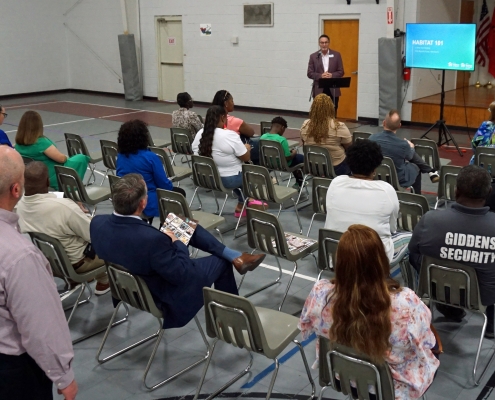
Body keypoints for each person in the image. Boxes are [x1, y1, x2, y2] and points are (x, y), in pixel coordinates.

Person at [90, 173, 266, 329]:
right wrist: (177, 243)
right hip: (159, 294)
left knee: (180, 223)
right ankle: (230, 317)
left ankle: (236, 257)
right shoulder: (151, 239)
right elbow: (182, 274)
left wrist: (172, 236)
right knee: (219, 262)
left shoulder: (97, 223)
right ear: (143, 203)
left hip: (128, 286)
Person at [299, 224, 439, 400]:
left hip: (342, 376)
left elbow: (306, 324)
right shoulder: (405, 302)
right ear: (380, 260)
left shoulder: (320, 292)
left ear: (339, 261)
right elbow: (426, 342)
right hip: (392, 387)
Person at [0, 146, 78, 400]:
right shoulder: (20, 256)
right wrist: (63, 375)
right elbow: (39, 326)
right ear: (16, 190)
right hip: (13, 371)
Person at [409, 165, 495, 335]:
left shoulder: (430, 219)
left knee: (416, 255)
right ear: (489, 193)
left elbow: (413, 252)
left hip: (438, 289)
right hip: (483, 297)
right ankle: (491, 323)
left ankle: (449, 307)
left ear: (456, 191)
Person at [16, 161, 110, 295]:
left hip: (54, 262)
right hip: (79, 263)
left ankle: (75, 281)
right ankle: (104, 281)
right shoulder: (64, 208)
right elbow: (93, 234)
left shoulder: (20, 205)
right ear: (48, 182)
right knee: (115, 237)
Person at [324, 140, 412, 269]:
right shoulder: (386, 189)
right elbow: (392, 228)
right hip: (373, 262)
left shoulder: (335, 183)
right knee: (413, 238)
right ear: (376, 166)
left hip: (337, 256)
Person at [192, 105, 265, 217]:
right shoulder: (229, 135)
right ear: (222, 118)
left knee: (238, 177)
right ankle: (246, 202)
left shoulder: (199, 134)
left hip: (204, 178)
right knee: (249, 174)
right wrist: (247, 148)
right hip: (227, 180)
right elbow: (246, 158)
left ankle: (244, 203)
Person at [116, 119, 186, 224]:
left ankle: (147, 224)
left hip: (126, 201)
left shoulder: (120, 157)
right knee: (179, 194)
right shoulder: (150, 157)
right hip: (146, 201)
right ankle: (167, 232)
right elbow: (164, 185)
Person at [14, 110, 89, 190]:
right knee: (81, 158)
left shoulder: (17, 145)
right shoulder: (41, 143)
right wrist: (66, 157)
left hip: (33, 175)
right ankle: (72, 189)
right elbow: (61, 159)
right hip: (52, 174)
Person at [369, 110, 439, 194]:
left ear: (384, 123)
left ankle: (430, 170)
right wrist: (411, 147)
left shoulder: (371, 138)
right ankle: (418, 193)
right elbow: (410, 157)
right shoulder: (403, 145)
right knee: (415, 166)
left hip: (375, 175)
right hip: (397, 179)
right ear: (399, 126)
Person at [300, 94, 352, 176]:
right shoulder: (338, 126)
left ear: (313, 108)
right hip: (336, 167)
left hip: (313, 166)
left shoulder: (305, 125)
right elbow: (349, 148)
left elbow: (304, 147)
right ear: (331, 108)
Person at [211, 90, 260, 164]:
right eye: (232, 101)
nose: (233, 103)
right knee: (262, 141)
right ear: (226, 103)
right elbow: (251, 132)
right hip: (237, 153)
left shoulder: (210, 120)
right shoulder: (234, 121)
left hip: (221, 152)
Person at [260, 116, 304, 188]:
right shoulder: (282, 140)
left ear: (271, 126)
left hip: (269, 163)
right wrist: (294, 152)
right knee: (300, 158)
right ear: (282, 128)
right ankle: (300, 182)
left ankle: (299, 180)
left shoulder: (263, 137)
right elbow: (287, 157)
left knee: (296, 159)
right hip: (283, 165)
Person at [307, 34, 344, 114]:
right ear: (319, 44)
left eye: (326, 42)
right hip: (319, 88)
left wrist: (332, 75)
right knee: (319, 112)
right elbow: (310, 73)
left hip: (333, 88)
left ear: (329, 43)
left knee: (333, 111)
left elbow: (341, 72)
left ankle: (332, 126)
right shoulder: (313, 56)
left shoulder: (336, 55)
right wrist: (320, 76)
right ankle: (320, 127)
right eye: (322, 43)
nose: (324, 45)